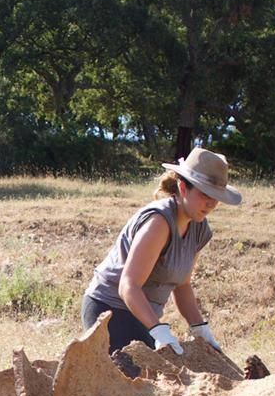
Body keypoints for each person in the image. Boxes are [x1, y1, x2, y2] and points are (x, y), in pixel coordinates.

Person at [80, 147, 243, 355]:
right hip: (110, 310)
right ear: (183, 188)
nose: (211, 204)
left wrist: (199, 328)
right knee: (135, 381)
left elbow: (182, 285)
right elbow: (128, 286)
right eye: (205, 194)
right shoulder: (158, 222)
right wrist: (159, 331)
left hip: (144, 316)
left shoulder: (199, 227)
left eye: (216, 196)